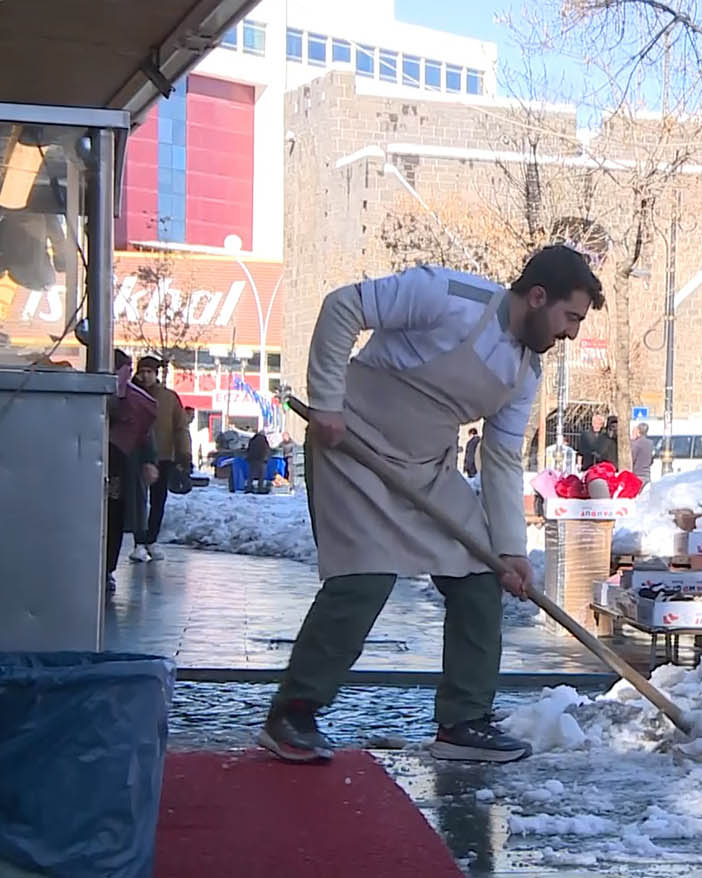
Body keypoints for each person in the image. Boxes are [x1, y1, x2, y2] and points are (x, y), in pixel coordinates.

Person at [262, 245, 604, 764]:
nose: (572, 333)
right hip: (351, 446)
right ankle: (293, 715)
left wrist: (510, 549)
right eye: (570, 317)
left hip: (426, 468)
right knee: (364, 579)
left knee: (480, 577)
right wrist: (327, 402)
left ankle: (463, 721)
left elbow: (501, 457)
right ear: (538, 296)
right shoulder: (445, 295)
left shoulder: (525, 373)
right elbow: (341, 307)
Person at [106, 349, 160, 593]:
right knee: (106, 518)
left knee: (113, 516)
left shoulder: (137, 400)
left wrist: (150, 460)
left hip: (119, 467)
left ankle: (107, 568)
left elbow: (145, 432)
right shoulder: (98, 393)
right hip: (99, 464)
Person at [127, 356, 191, 561]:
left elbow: (180, 428)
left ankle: (151, 539)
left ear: (156, 374)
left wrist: (184, 455)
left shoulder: (169, 398)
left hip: (163, 456)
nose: (145, 376)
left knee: (158, 501)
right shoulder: (131, 395)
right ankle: (139, 542)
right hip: (136, 455)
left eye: (149, 372)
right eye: (142, 371)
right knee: (139, 501)